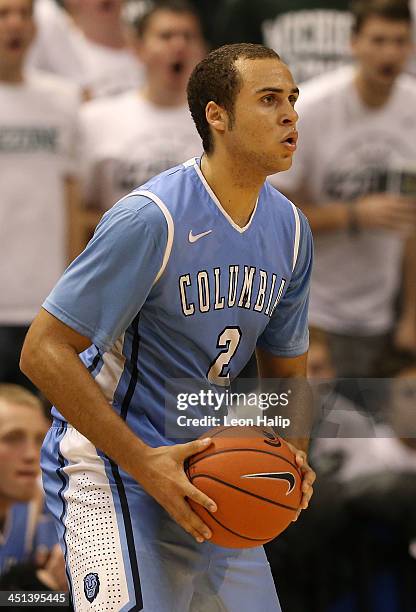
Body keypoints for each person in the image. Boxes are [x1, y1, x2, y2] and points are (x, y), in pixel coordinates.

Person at [21, 43, 315, 611]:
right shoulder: (150, 218)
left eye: (294, 100)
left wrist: (291, 458)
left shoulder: (293, 231)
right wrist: (143, 461)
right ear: (217, 116)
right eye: (270, 100)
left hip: (214, 469)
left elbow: (287, 370)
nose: (290, 115)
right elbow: (43, 351)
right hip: (113, 473)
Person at [273, 0, 416, 379]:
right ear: (353, 43)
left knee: (372, 434)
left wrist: (411, 316)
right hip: (310, 309)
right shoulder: (314, 109)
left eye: (400, 41)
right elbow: (269, 215)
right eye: (378, 40)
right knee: (302, 430)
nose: (389, 53)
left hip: (382, 312)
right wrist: (352, 214)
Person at [0, 0, 81, 388]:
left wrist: (73, 288)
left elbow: (72, 194)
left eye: (25, 13)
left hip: (47, 305)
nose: (15, 23)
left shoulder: (63, 99)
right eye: (3, 14)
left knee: (44, 436)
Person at [80, 0, 204, 214]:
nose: (179, 46)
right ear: (138, 48)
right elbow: (81, 206)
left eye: (188, 36)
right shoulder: (96, 118)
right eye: (166, 36)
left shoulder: (219, 122)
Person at [0, 385, 64, 585]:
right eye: (12, 438)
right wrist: (45, 590)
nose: (31, 454)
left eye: (39, 440)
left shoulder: (37, 503)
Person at [213, 0, 353, 83]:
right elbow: (230, 67)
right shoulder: (248, 5)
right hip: (278, 114)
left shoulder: (366, 4)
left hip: (354, 114)